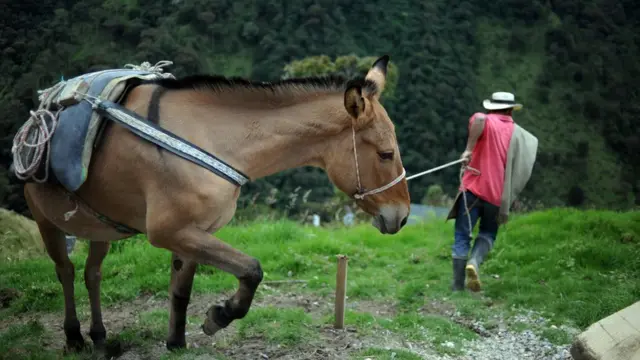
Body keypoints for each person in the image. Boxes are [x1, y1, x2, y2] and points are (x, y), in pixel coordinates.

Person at [446, 91, 538, 292]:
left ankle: (456, 288)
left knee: (462, 236)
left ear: (491, 107)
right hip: (497, 196)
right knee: (488, 233)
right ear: (510, 110)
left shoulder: (485, 121)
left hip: (473, 189)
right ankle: (475, 263)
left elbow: (478, 118)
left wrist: (469, 150)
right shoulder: (518, 134)